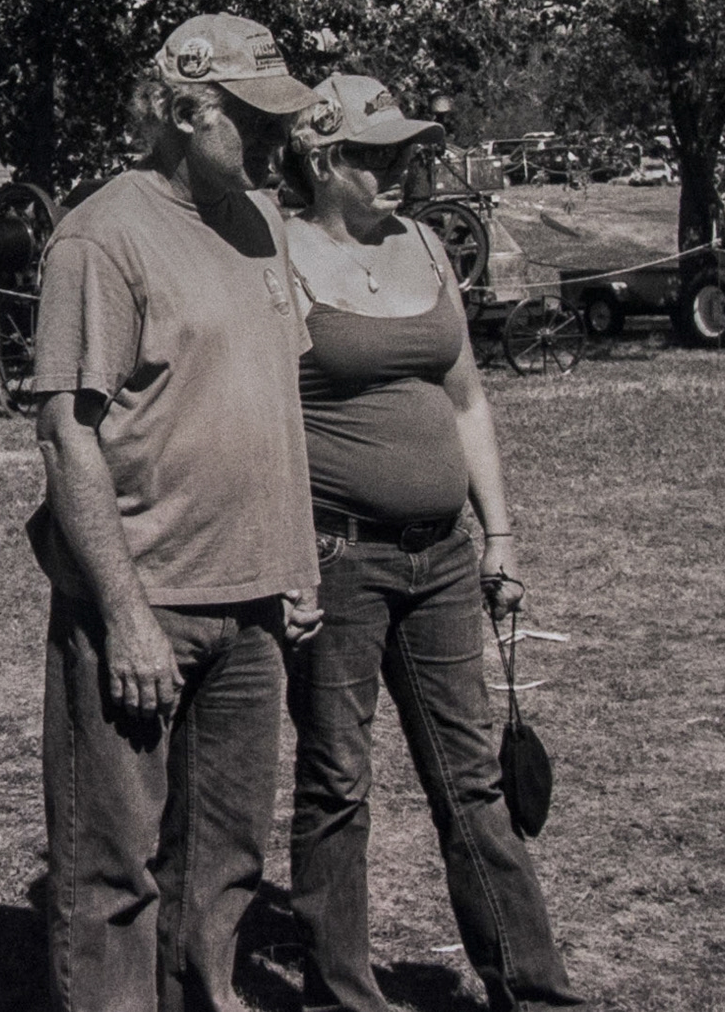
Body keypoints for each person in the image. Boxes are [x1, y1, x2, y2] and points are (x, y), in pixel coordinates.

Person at [28, 12, 326, 1012]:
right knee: (112, 878)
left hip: (253, 614)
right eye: (254, 120)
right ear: (182, 110)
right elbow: (68, 435)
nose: (278, 140)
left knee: (225, 866)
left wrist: (295, 568)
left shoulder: (259, 222)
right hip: (147, 607)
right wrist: (122, 615)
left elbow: (271, 403)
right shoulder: (102, 237)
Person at [280, 74, 581, 1011]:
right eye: (376, 154)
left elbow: (467, 399)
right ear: (325, 161)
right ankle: (343, 991)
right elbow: (260, 421)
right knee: (338, 780)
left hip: (443, 554)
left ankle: (531, 989)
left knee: (473, 780)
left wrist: (500, 533)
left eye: (405, 149)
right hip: (338, 557)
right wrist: (287, 555)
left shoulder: (423, 244)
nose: (400, 167)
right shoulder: (276, 257)